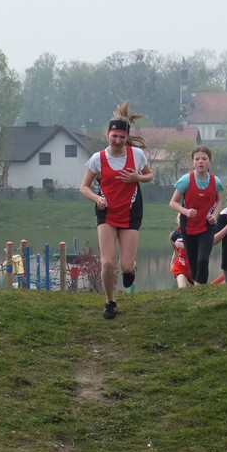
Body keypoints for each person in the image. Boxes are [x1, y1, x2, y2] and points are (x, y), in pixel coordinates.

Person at [80, 101, 153, 319]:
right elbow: (84, 187)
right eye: (114, 136)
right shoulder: (98, 159)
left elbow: (149, 176)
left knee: (126, 266)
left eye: (122, 137)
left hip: (131, 212)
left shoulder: (137, 155)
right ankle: (110, 301)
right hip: (107, 213)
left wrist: (137, 177)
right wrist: (97, 198)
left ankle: (131, 270)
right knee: (108, 261)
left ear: (126, 137)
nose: (118, 140)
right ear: (107, 135)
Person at [169, 145, 223, 284]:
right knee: (193, 266)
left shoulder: (215, 181)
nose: (201, 162)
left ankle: (201, 290)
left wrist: (215, 215)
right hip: (188, 227)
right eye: (197, 159)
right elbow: (173, 202)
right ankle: (197, 286)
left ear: (210, 162)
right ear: (193, 162)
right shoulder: (186, 180)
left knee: (203, 260)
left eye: (204, 159)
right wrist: (185, 211)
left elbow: (219, 200)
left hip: (207, 226)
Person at [170, 215, 193, 288]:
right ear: (177, 220)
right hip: (181, 266)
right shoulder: (174, 235)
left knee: (198, 289)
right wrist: (172, 263)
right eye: (180, 218)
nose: (182, 220)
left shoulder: (194, 232)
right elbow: (176, 251)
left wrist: (184, 246)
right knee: (182, 288)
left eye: (186, 218)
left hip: (194, 266)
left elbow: (198, 249)